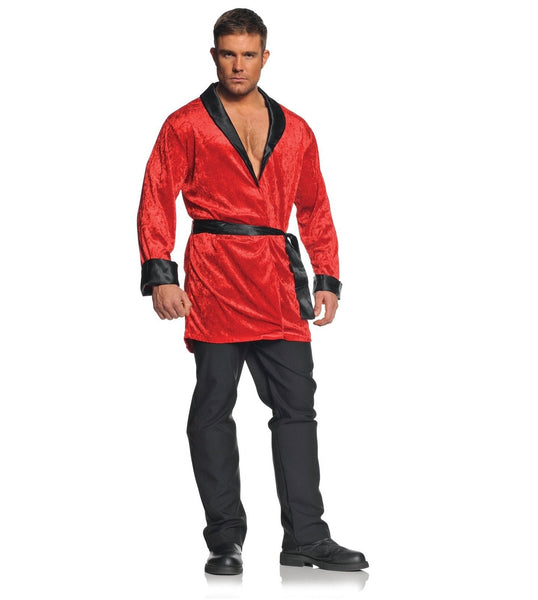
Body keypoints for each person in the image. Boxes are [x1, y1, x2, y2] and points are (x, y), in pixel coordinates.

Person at [137, 8, 369, 576]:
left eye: (247, 54)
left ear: (265, 57)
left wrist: (327, 275)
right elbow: (156, 194)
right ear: (213, 55)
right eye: (227, 54)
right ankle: (225, 539)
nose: (237, 65)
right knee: (213, 407)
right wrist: (162, 274)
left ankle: (306, 537)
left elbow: (314, 205)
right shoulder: (185, 124)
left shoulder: (297, 129)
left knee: (297, 409)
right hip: (214, 278)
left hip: (276, 281)